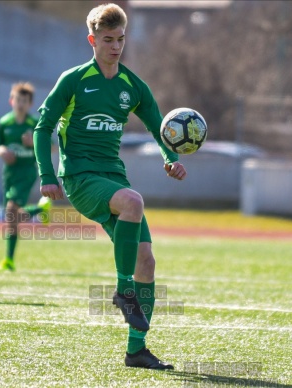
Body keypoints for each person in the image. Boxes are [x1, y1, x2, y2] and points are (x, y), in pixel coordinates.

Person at [33, 4, 186, 370]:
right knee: (134, 202)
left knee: (147, 262)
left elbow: (157, 127)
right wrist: (47, 176)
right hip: (81, 179)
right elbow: (43, 128)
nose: (116, 46)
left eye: (120, 39)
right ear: (92, 40)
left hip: (113, 177)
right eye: (107, 40)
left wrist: (170, 158)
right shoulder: (73, 79)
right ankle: (122, 289)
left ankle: (136, 350)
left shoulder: (132, 85)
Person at [0, 82, 52, 271]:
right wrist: (3, 152)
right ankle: (39, 210)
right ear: (12, 101)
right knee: (12, 217)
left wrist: (32, 143)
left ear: (30, 104)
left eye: (24, 101)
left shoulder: (34, 124)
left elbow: (50, 146)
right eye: (17, 99)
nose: (20, 103)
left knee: (11, 211)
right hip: (9, 173)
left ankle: (9, 260)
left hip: (26, 172)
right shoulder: (5, 123)